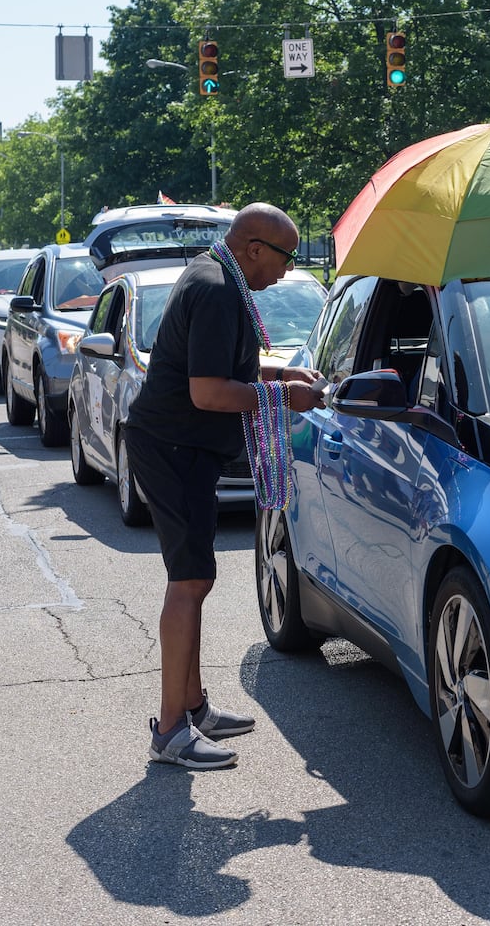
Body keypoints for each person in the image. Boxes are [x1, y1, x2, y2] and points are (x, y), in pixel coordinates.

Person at [125, 203, 324, 770]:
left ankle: (191, 708)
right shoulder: (215, 289)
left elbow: (223, 370)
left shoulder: (215, 275)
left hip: (180, 447)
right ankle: (170, 732)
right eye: (285, 258)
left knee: (195, 581)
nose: (287, 271)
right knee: (189, 583)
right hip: (173, 448)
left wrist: (281, 374)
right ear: (255, 248)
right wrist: (285, 398)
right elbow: (208, 393)